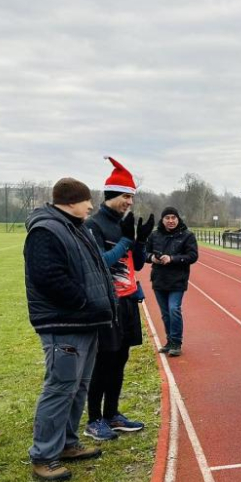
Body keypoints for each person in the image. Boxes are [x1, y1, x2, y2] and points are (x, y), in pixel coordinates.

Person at [24, 178, 115, 481]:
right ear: (72, 201)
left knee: (78, 387)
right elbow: (47, 277)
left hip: (85, 322)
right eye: (87, 200)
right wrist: (84, 302)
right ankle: (44, 456)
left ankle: (67, 444)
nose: (91, 206)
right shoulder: (46, 231)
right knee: (60, 387)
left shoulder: (75, 227)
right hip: (64, 323)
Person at [84, 157, 154, 441]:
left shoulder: (123, 223)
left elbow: (135, 265)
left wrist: (140, 242)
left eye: (132, 197)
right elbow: (99, 262)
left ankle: (112, 414)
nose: (130, 203)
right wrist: (126, 241)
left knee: (120, 359)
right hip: (106, 304)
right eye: (126, 196)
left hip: (127, 302)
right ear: (111, 194)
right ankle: (93, 419)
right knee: (103, 361)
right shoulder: (94, 224)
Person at [146, 207, 199, 356]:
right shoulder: (154, 235)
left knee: (173, 309)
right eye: (167, 218)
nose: (170, 221)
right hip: (159, 279)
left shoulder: (187, 236)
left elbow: (193, 256)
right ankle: (169, 341)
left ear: (178, 218)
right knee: (165, 313)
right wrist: (152, 258)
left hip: (177, 279)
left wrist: (172, 259)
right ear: (162, 220)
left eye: (173, 217)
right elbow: (144, 252)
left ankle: (176, 342)